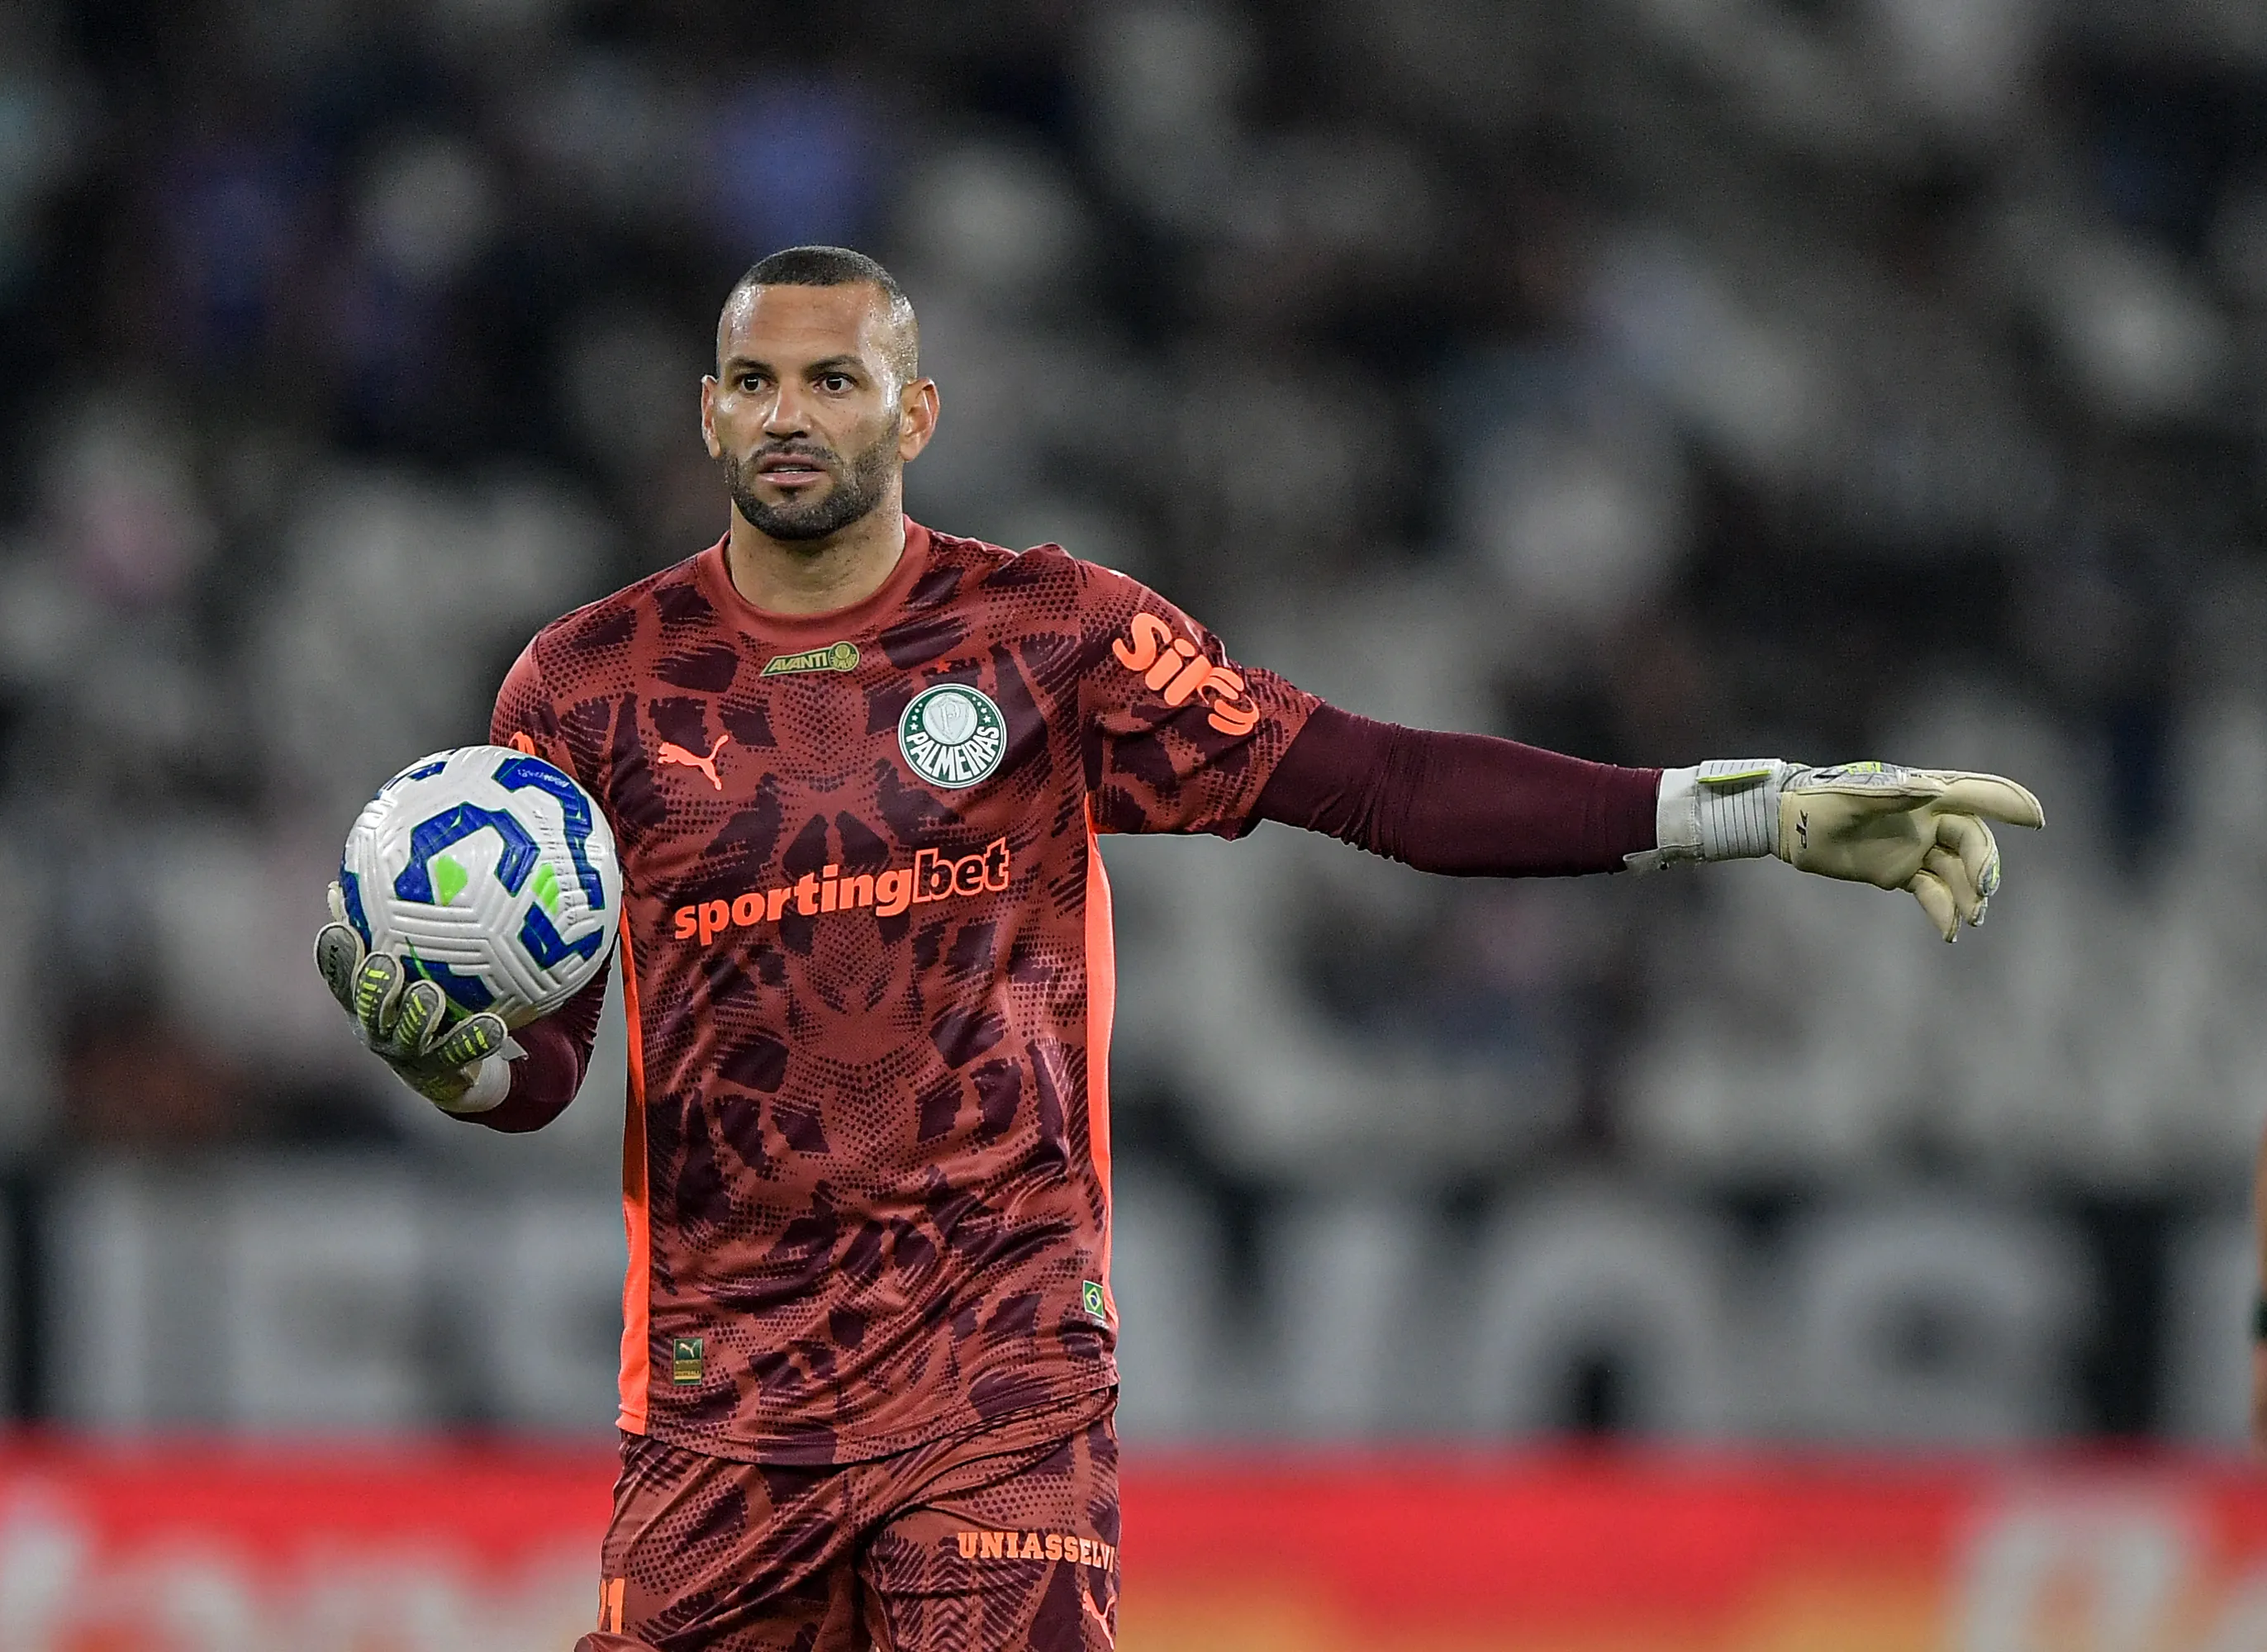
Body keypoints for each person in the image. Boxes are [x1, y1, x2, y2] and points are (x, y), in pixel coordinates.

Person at [316, 246, 2042, 1652]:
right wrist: (448, 1061)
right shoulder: (587, 686)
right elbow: (550, 1073)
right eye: (756, 381)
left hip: (995, 1383)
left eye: (834, 379)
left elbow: (1382, 784)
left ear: (916, 410)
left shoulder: (1050, 637)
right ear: (707, 411)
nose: (790, 414)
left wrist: (1749, 808)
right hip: (719, 1410)